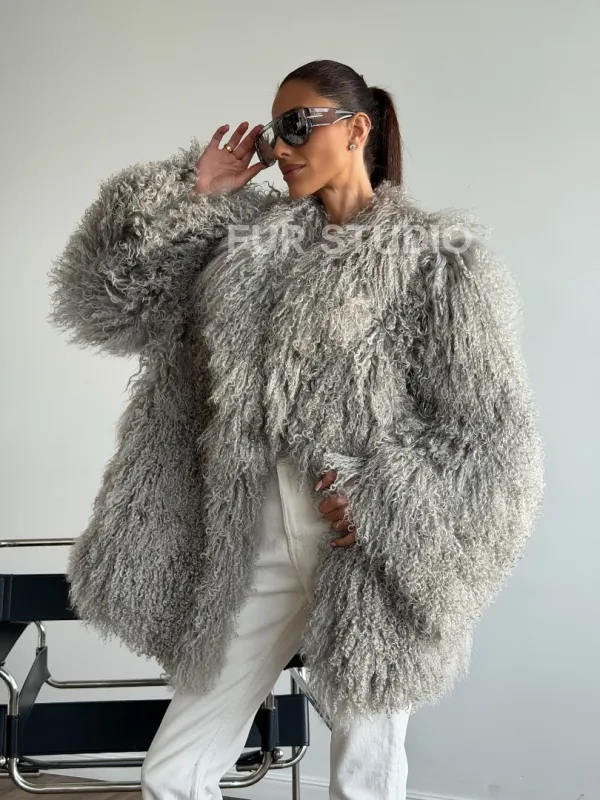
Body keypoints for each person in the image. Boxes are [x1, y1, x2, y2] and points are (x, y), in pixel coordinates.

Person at [48, 59, 544, 799]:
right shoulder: (243, 249)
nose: (280, 147)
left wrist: (381, 497)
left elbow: (490, 433)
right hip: (251, 534)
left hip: (367, 546)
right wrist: (199, 195)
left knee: (363, 782)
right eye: (275, 129)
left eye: (298, 125)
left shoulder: (436, 258)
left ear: (357, 129)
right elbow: (108, 306)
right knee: (174, 773)